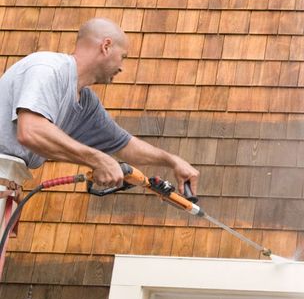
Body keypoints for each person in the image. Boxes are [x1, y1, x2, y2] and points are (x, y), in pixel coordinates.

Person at [0, 18, 199, 262]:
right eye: (123, 56)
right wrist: (96, 159)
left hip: (9, 182)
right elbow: (31, 131)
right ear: (106, 46)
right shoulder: (48, 68)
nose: (122, 67)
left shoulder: (85, 102)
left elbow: (125, 145)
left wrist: (172, 160)